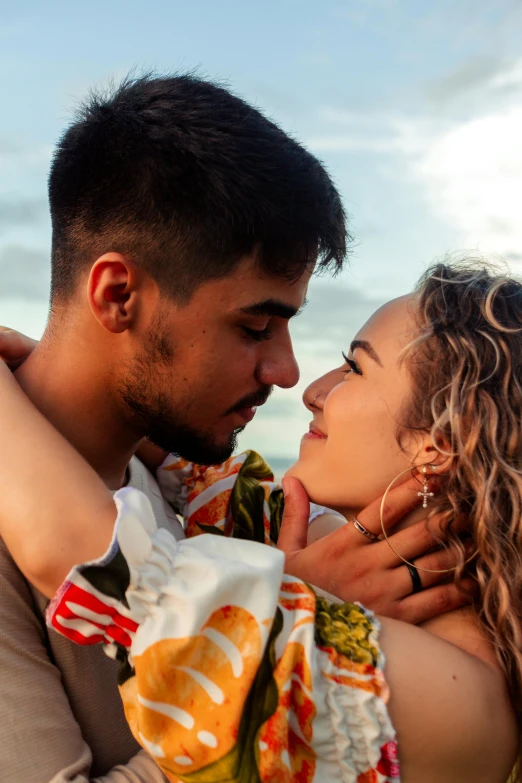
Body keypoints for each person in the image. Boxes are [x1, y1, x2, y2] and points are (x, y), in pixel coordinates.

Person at [0, 73, 457, 783]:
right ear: (118, 295)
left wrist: (286, 617)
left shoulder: (188, 488)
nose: (287, 370)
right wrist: (273, 651)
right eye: (255, 324)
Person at [0, 260, 519, 783]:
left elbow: (91, 561)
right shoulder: (366, 565)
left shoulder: (454, 695)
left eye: (354, 368)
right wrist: (70, 381)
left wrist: (295, 598)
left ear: (438, 446)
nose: (312, 388)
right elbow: (226, 492)